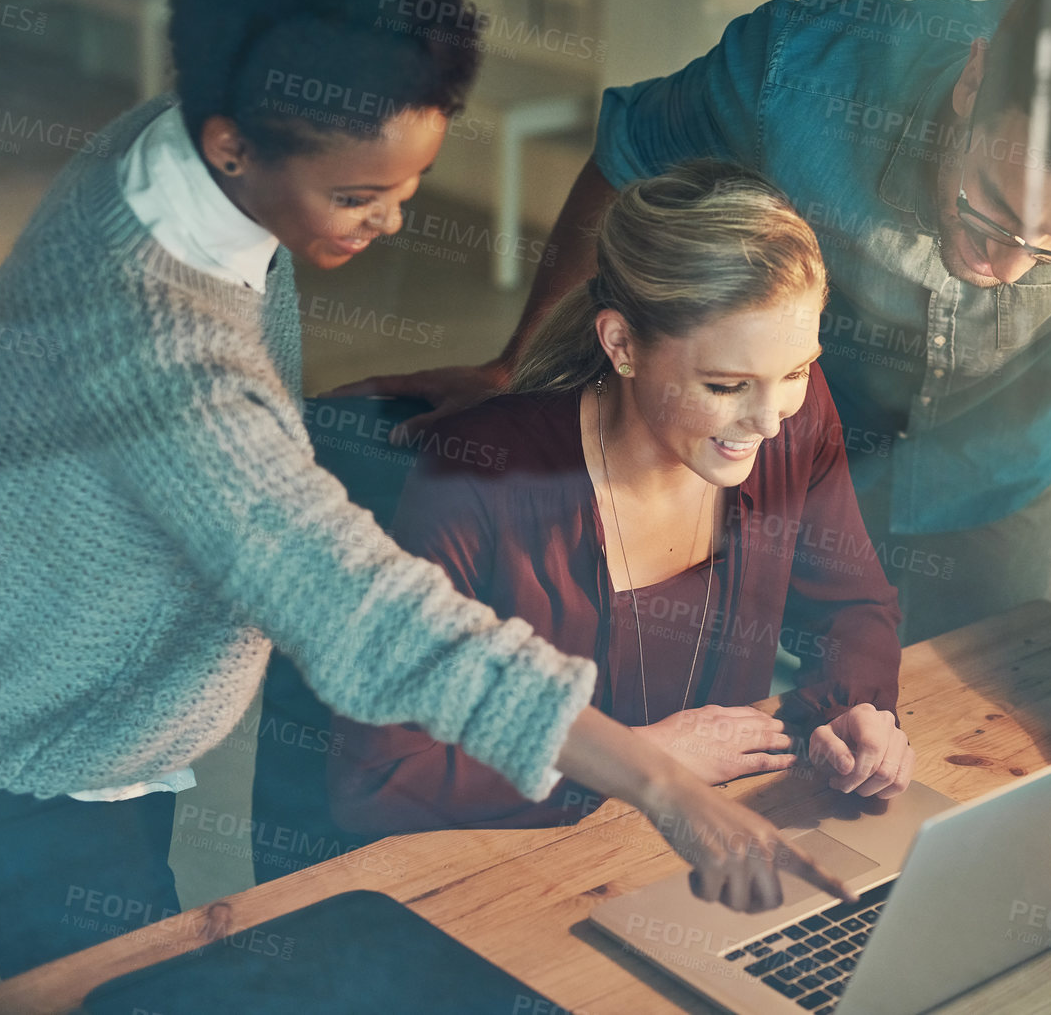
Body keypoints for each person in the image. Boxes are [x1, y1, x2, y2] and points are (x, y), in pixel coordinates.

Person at [0, 0, 840, 980]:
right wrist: (656, 781)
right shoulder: (164, 357)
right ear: (233, 144)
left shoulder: (181, 146)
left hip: (81, 691)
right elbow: (374, 622)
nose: (394, 221)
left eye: (409, 184)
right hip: (19, 741)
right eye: (360, 194)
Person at [333, 0, 1051, 903]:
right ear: (972, 83)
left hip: (992, 458)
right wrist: (525, 367)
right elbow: (628, 161)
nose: (1008, 266)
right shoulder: (798, 75)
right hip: (796, 424)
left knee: (960, 738)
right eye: (992, 207)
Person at [327, 162, 911, 837]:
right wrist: (635, 760)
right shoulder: (477, 479)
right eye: (725, 385)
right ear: (621, 344)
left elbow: (852, 607)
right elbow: (379, 781)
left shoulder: (792, 420)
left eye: (795, 370)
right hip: (515, 876)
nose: (770, 420)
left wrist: (857, 713)